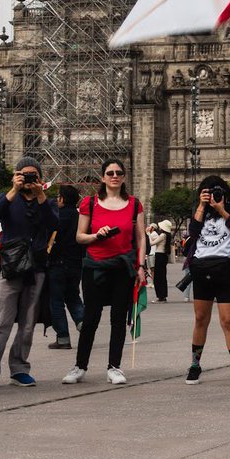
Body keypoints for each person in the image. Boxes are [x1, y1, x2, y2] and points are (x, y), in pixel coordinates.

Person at [62, 159, 146, 386]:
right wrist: (98, 235)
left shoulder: (134, 204)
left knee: (118, 319)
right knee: (90, 318)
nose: (115, 176)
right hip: (95, 267)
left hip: (123, 268)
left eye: (119, 172)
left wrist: (141, 266)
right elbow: (80, 236)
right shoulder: (90, 203)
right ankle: (80, 366)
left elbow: (140, 238)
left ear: (124, 177)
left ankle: (114, 367)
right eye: (110, 173)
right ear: (102, 177)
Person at [183, 176, 230, 386]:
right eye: (207, 192)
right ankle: (195, 365)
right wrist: (202, 206)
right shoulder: (201, 210)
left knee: (228, 320)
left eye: (216, 192)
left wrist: (222, 210)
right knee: (200, 319)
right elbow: (192, 233)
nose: (213, 195)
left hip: (228, 270)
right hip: (202, 269)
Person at [0, 156, 59, 386]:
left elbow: (54, 224)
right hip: (11, 268)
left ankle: (19, 368)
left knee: (27, 323)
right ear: (16, 175)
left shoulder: (47, 202)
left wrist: (41, 193)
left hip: (36, 268)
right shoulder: (9, 199)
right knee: (1, 322)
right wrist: (13, 189)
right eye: (24, 174)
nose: (28, 178)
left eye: (33, 174)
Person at [46, 183, 85, 349]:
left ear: (62, 198)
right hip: (76, 264)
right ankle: (84, 323)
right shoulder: (80, 218)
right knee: (73, 296)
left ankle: (63, 338)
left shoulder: (57, 216)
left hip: (57, 264)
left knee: (56, 301)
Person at [148, 219, 173, 302]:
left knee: (158, 277)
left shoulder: (162, 235)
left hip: (159, 255)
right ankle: (163, 295)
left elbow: (152, 243)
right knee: (162, 276)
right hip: (163, 256)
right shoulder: (167, 235)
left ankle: (160, 296)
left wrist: (148, 234)